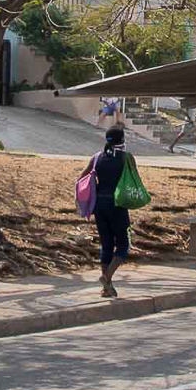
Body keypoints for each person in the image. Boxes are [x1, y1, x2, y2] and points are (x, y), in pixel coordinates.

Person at [81, 126, 135, 298]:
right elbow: (134, 180)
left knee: (106, 245)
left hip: (99, 206)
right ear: (122, 140)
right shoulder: (126, 158)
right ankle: (106, 277)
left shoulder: (97, 157)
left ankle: (107, 289)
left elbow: (82, 178)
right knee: (124, 245)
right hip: (118, 205)